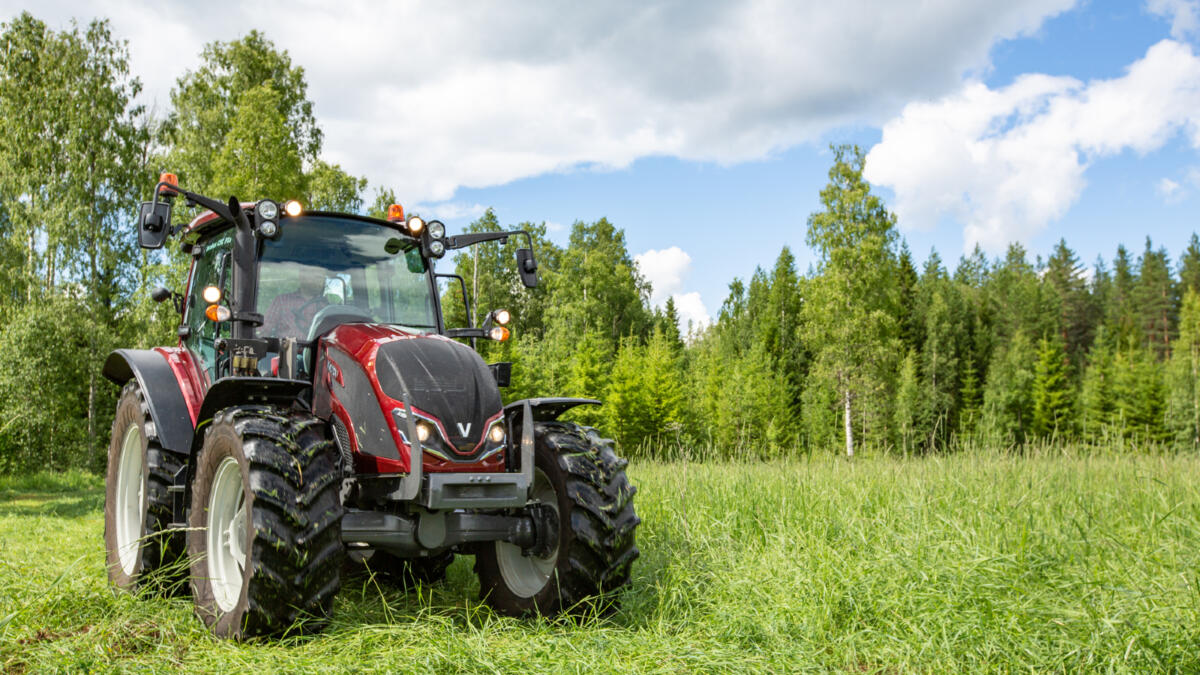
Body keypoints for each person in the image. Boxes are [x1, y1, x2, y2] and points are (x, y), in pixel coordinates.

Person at [262, 268, 328, 339]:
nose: (320, 280)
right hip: (285, 348)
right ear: (302, 276)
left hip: (316, 349)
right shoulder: (282, 301)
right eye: (317, 276)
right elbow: (264, 330)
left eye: (322, 277)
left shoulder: (327, 308)